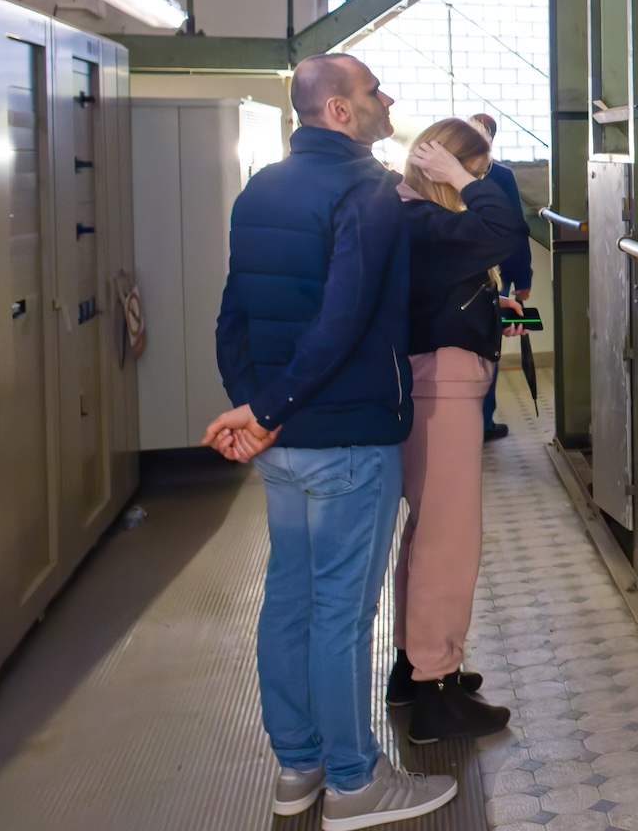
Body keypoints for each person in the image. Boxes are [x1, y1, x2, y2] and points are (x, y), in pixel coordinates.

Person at [206, 55, 458, 830]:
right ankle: (355, 782)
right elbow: (344, 320)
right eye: (374, 90)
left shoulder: (261, 189)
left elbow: (233, 315)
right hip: (347, 436)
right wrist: (271, 407)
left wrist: (256, 411)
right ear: (341, 111)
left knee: (290, 601)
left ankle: (299, 766)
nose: (388, 97)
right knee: (341, 615)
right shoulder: (366, 191)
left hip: (283, 441)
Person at [386, 117, 528, 742]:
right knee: (448, 539)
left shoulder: (417, 217)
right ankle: (436, 688)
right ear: (447, 167)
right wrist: (464, 179)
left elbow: (443, 286)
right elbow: (504, 229)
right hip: (440, 385)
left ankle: (414, 667)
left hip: (434, 379)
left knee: (429, 533)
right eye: (479, 167)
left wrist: (492, 308)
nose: (483, 178)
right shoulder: (419, 215)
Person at [468, 113, 531, 441]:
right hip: (495, 272)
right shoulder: (501, 175)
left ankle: (470, 420)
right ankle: (484, 421)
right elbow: (516, 228)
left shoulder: (442, 174)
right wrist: (523, 277)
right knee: (490, 343)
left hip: (465, 273)